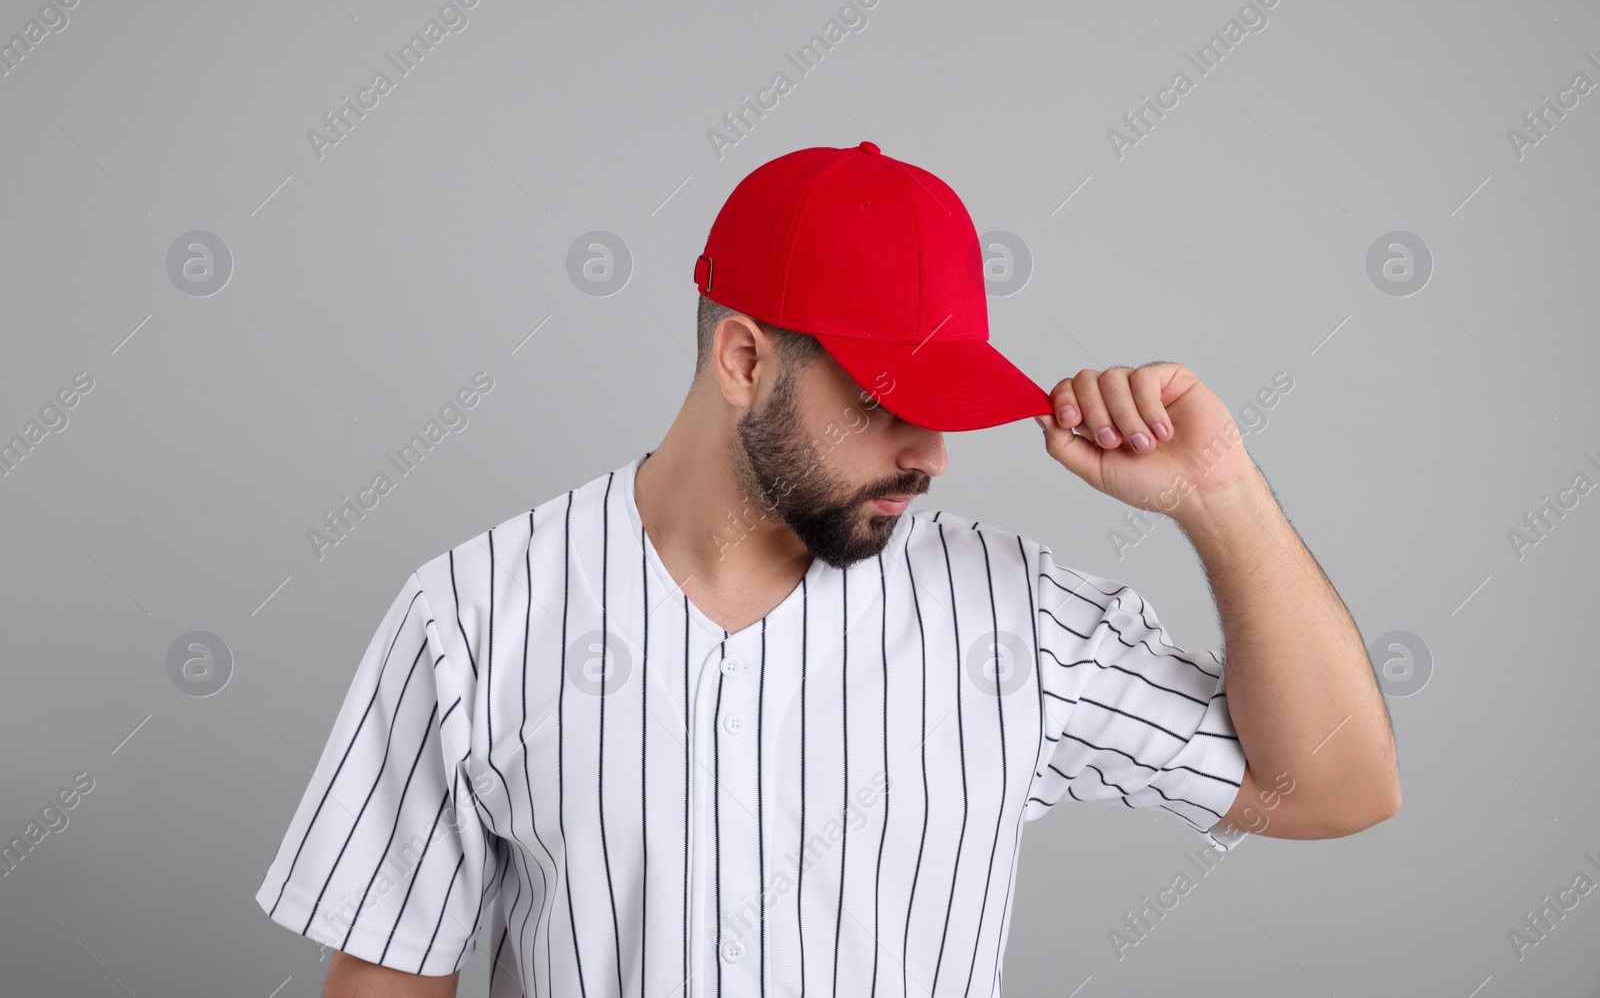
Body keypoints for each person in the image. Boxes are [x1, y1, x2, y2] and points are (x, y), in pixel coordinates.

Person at [254, 141, 1400, 997]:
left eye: (944, 406)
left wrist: (1220, 497)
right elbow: (392, 975)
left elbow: (1339, 788)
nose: (931, 454)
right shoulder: (472, 615)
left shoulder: (1018, 620)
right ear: (744, 357)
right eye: (885, 403)